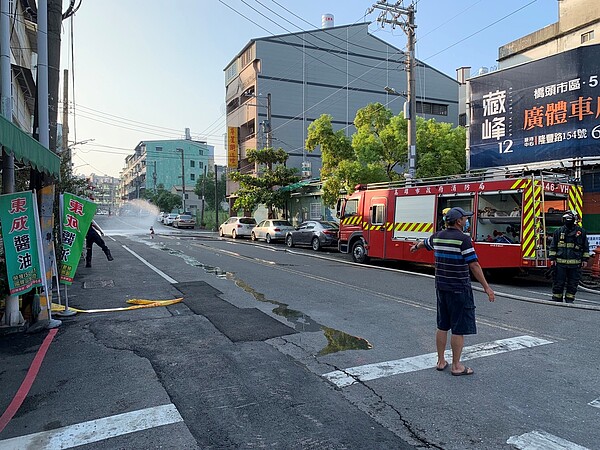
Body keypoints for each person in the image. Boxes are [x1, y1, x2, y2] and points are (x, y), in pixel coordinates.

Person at [410, 207, 495, 376]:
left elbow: (424, 244)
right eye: (465, 218)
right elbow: (474, 265)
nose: (466, 221)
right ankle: (457, 366)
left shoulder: (438, 236)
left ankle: (441, 361)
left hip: (441, 288)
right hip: (459, 289)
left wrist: (415, 247)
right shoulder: (463, 239)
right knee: (458, 328)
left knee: (442, 325)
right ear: (458, 221)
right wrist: (487, 287)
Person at [548, 211, 590, 303]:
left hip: (575, 264)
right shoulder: (558, 232)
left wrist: (585, 260)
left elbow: (585, 247)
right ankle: (557, 298)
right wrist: (552, 259)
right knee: (558, 282)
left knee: (573, 283)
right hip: (560, 263)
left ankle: (570, 299)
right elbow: (553, 246)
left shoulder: (581, 232)